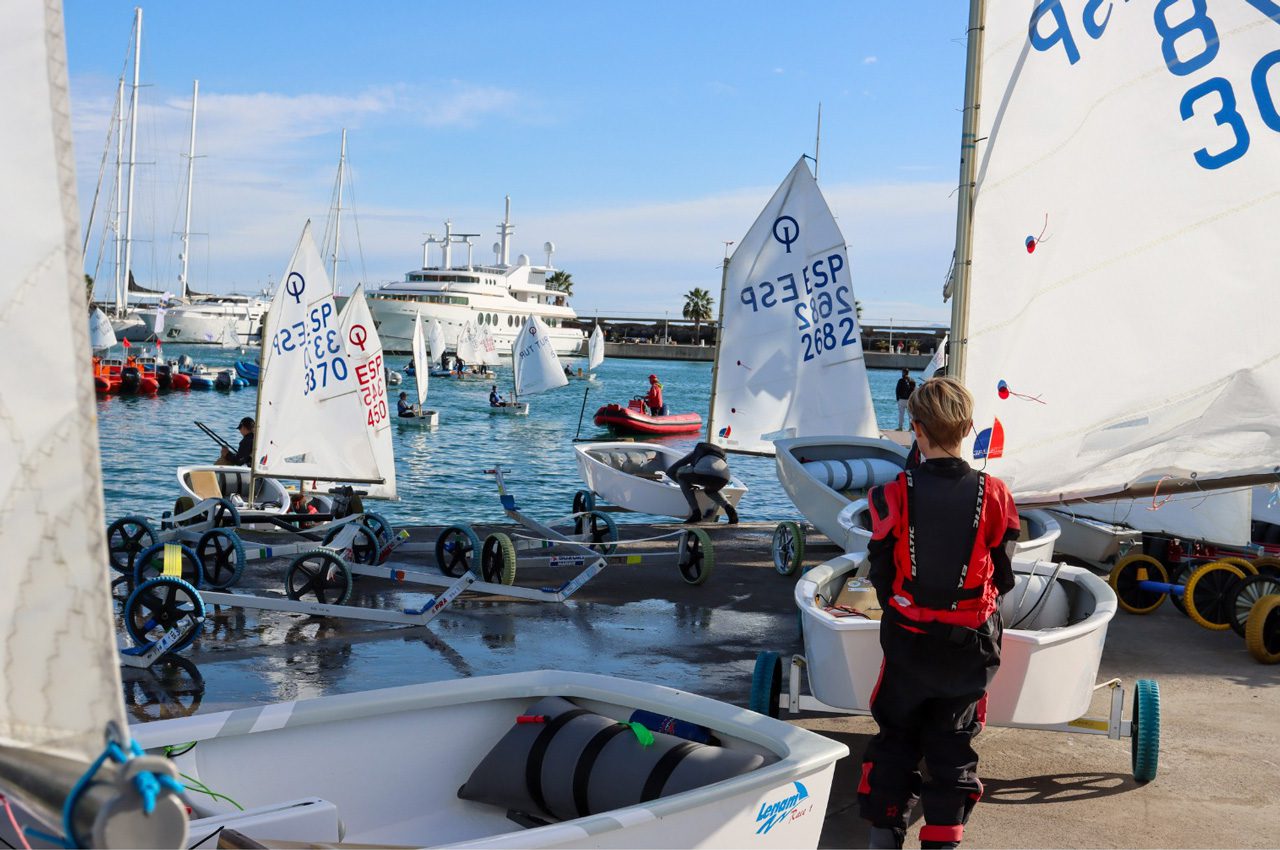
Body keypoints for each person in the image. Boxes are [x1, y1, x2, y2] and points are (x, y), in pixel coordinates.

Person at [858, 377, 1020, 850]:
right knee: (952, 745)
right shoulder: (996, 494)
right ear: (969, 428)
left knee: (896, 738)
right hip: (969, 646)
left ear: (916, 430)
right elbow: (1004, 573)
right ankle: (942, 841)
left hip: (908, 641)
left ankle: (883, 836)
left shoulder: (892, 494)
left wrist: (907, 609)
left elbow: (882, 572)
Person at [667, 442, 738, 524]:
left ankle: (696, 513)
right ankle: (728, 507)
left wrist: (688, 486)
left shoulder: (694, 454)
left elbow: (670, 471)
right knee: (710, 491)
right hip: (724, 477)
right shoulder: (720, 456)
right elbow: (715, 472)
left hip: (704, 472)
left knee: (680, 475)